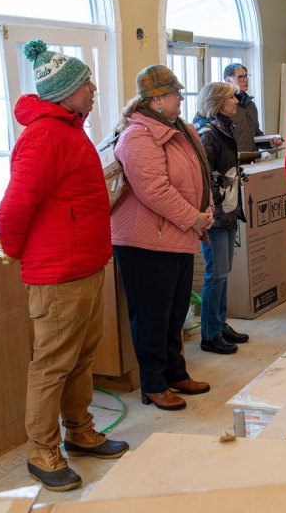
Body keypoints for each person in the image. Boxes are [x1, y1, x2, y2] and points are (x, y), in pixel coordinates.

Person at [0, 39, 128, 493]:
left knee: (80, 359)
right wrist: (15, 251)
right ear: (67, 91)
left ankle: (79, 430)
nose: (94, 88)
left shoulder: (69, 130)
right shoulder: (44, 136)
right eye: (86, 83)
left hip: (84, 266)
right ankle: (42, 449)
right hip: (58, 274)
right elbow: (14, 208)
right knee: (53, 364)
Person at [111, 65, 213, 413]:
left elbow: (199, 175)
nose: (181, 98)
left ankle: (175, 373)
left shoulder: (179, 130)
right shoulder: (138, 137)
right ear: (156, 100)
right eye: (174, 93)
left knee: (174, 313)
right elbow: (155, 191)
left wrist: (205, 211)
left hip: (177, 234)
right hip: (145, 242)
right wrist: (194, 218)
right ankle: (154, 384)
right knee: (152, 317)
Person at [192, 81, 249, 356]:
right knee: (216, 274)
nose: (236, 101)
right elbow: (202, 178)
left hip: (227, 208)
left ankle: (220, 323)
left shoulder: (224, 128)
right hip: (216, 212)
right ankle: (210, 334)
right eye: (231, 98)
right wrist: (213, 206)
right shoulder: (208, 134)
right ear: (217, 102)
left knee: (223, 272)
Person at [223, 62, 282, 159]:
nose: (245, 80)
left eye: (246, 76)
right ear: (228, 80)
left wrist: (270, 143)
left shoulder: (251, 105)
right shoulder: (224, 106)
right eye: (240, 77)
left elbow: (256, 135)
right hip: (233, 162)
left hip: (251, 160)